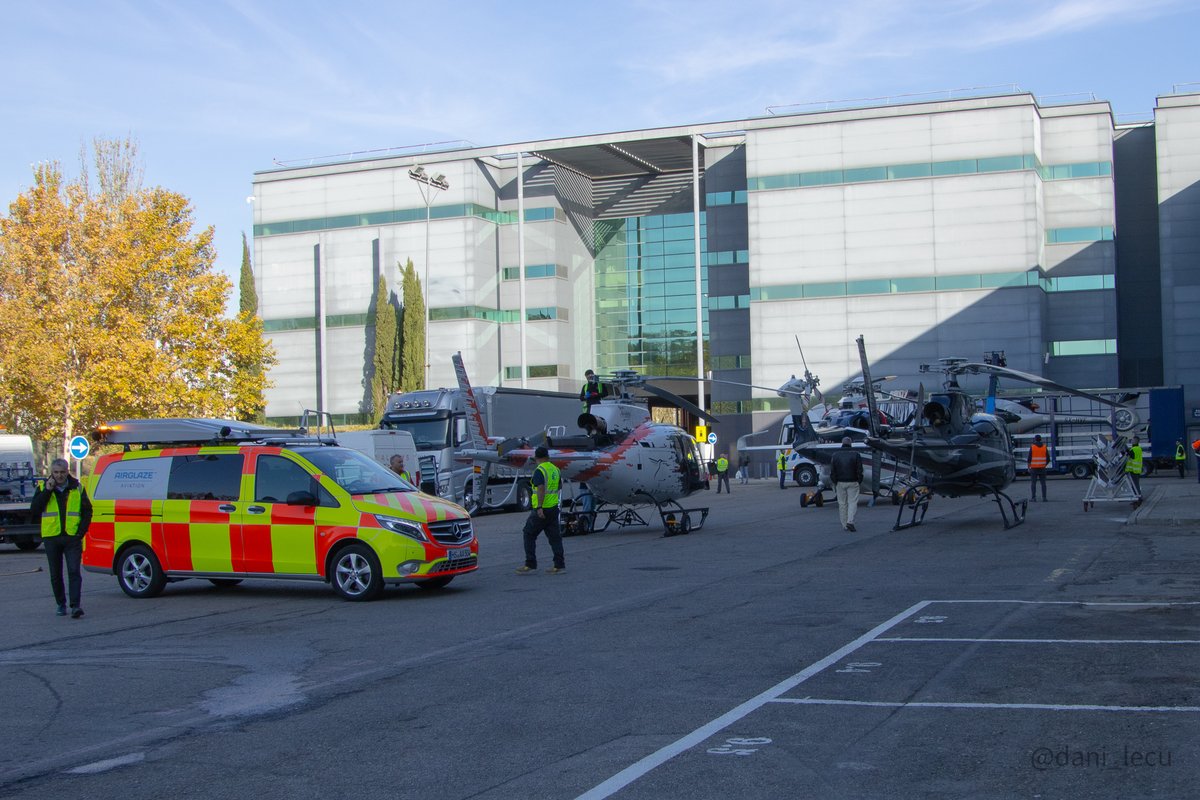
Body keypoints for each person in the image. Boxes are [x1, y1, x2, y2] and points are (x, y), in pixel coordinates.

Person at [30, 458, 92, 618]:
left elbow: (87, 511)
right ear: (52, 472)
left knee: (74, 571)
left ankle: (75, 606)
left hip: (72, 537)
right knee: (55, 574)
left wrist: (81, 532)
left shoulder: (77, 488)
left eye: (62, 472)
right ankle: (61, 604)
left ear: (67, 471)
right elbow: (35, 510)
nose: (59, 476)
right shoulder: (43, 487)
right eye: (56, 472)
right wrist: (48, 491)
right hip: (51, 537)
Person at [516, 447, 565, 575]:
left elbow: (541, 489)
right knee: (555, 538)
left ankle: (530, 564)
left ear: (537, 458)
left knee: (528, 533)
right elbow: (559, 487)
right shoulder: (555, 469)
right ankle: (559, 565)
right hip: (554, 507)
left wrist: (539, 507)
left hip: (542, 509)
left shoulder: (540, 470)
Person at [829, 437, 863, 532]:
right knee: (852, 502)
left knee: (842, 504)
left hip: (840, 482)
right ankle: (850, 521)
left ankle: (844, 525)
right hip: (853, 481)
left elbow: (832, 471)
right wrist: (859, 480)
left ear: (842, 443)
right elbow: (860, 470)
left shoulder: (835, 455)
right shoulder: (856, 454)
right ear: (850, 444)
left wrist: (835, 481)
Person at [1027, 434, 1049, 502]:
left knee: (1033, 483)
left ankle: (1033, 498)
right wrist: (1044, 465)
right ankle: (1044, 498)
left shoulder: (1032, 447)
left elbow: (1029, 459)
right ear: (1040, 439)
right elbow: (1048, 459)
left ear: (1035, 439)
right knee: (1043, 483)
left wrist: (1028, 467)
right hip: (1042, 468)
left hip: (1034, 468)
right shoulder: (1044, 447)